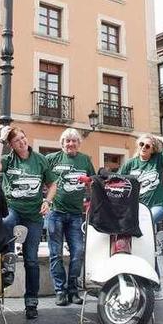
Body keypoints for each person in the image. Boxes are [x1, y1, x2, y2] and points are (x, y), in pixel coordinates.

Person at [0, 124, 56, 319]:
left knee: (32, 259)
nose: (22, 142)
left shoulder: (40, 160)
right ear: (11, 145)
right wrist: (0, 139)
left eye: (23, 138)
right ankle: (9, 257)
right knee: (7, 220)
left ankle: (31, 302)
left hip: (34, 215)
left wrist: (47, 201)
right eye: (16, 140)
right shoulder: (9, 160)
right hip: (14, 207)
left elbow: (52, 184)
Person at [118, 132, 163, 299]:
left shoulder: (157, 160)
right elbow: (117, 181)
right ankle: (154, 283)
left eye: (148, 146)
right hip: (136, 209)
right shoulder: (130, 164)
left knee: (145, 224)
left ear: (153, 149)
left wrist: (157, 138)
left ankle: (154, 283)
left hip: (157, 206)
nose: (144, 148)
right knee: (145, 245)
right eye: (141, 145)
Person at [45, 128, 95, 306]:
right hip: (55, 213)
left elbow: (93, 181)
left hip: (75, 214)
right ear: (62, 144)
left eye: (74, 141)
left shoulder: (85, 160)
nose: (70, 144)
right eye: (67, 141)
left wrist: (89, 183)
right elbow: (41, 177)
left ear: (79, 144)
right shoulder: (51, 159)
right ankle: (60, 291)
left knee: (78, 252)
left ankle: (73, 289)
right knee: (55, 254)